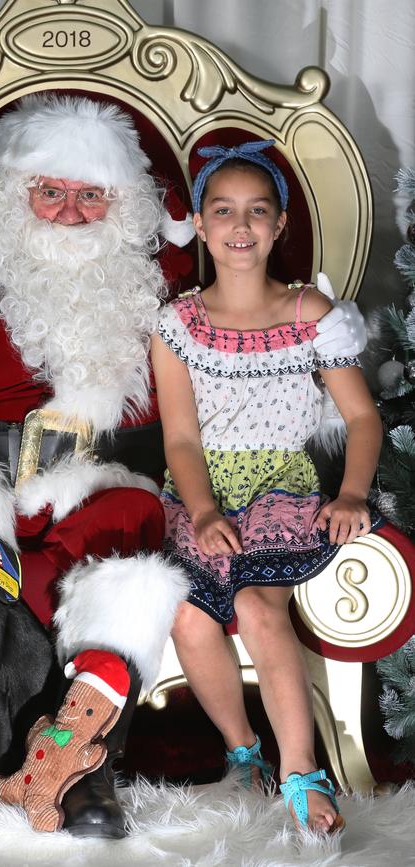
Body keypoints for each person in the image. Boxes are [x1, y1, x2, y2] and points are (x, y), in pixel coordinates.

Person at [0, 99, 367, 837]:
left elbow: (232, 276)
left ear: (123, 203)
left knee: (124, 542)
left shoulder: (160, 273)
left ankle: (82, 769)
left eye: (92, 194)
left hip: (106, 477)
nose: (69, 211)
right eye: (49, 190)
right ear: (13, 190)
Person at [151, 140, 383, 835]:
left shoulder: (310, 313)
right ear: (198, 222)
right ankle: (242, 752)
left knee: (256, 603)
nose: (240, 225)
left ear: (280, 225)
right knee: (189, 615)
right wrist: (201, 509)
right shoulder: (178, 326)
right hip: (200, 489)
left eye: (257, 211)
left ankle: (300, 769)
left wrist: (351, 493)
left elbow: (364, 417)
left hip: (281, 486)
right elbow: (182, 440)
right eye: (223, 210)